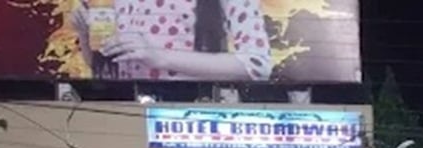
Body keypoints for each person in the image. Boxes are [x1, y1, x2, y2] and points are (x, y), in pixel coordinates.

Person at [70, 0, 272, 81]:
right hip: (127, 112)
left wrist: (161, 58)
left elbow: (257, 65)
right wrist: (85, 35)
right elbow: (107, 70)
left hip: (191, 112)